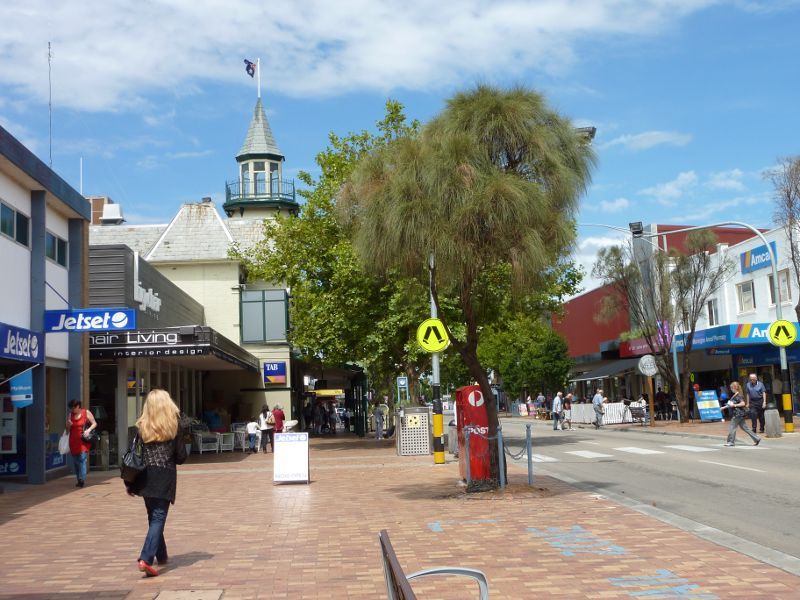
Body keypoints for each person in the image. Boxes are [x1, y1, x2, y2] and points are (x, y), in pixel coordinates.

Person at [125, 389, 187, 577]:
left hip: (144, 477)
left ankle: (161, 554)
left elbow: (134, 456)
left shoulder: (140, 427)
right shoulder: (174, 426)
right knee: (158, 518)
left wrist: (129, 482)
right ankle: (145, 558)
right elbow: (181, 457)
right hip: (164, 477)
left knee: (153, 517)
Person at [66, 399, 97, 488]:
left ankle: (81, 479)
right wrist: (68, 425)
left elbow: (94, 423)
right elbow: (67, 430)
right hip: (73, 441)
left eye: (73, 408)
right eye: (71, 408)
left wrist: (88, 430)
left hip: (83, 440)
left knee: (82, 459)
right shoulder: (70, 415)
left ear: (78, 406)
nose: (72, 410)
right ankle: (79, 478)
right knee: (76, 462)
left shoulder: (85, 412)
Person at [723, 381, 761, 447]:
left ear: (734, 388)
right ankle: (756, 438)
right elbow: (731, 404)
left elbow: (743, 403)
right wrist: (723, 407)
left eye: (731, 388)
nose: (731, 389)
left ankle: (731, 442)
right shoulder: (736, 395)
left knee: (732, 428)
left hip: (737, 414)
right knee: (745, 428)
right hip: (740, 414)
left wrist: (734, 405)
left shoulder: (738, 395)